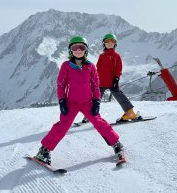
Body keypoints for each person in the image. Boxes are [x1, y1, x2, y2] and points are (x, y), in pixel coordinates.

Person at [35, 35, 124, 165]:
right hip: (71, 103)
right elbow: (61, 84)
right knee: (62, 126)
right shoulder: (66, 66)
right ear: (71, 50)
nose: (78, 50)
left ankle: (116, 144)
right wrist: (62, 101)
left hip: (88, 102)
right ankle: (44, 151)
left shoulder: (90, 67)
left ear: (85, 50)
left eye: (81, 47)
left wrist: (97, 101)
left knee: (100, 123)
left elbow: (95, 85)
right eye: (75, 48)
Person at [82, 33, 139, 124]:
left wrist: (116, 78)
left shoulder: (116, 56)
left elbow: (118, 68)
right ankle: (90, 114)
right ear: (104, 43)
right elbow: (98, 69)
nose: (109, 43)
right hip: (100, 82)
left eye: (111, 41)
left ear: (115, 43)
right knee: (95, 98)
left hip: (112, 81)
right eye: (107, 41)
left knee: (120, 96)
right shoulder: (102, 56)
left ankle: (130, 113)